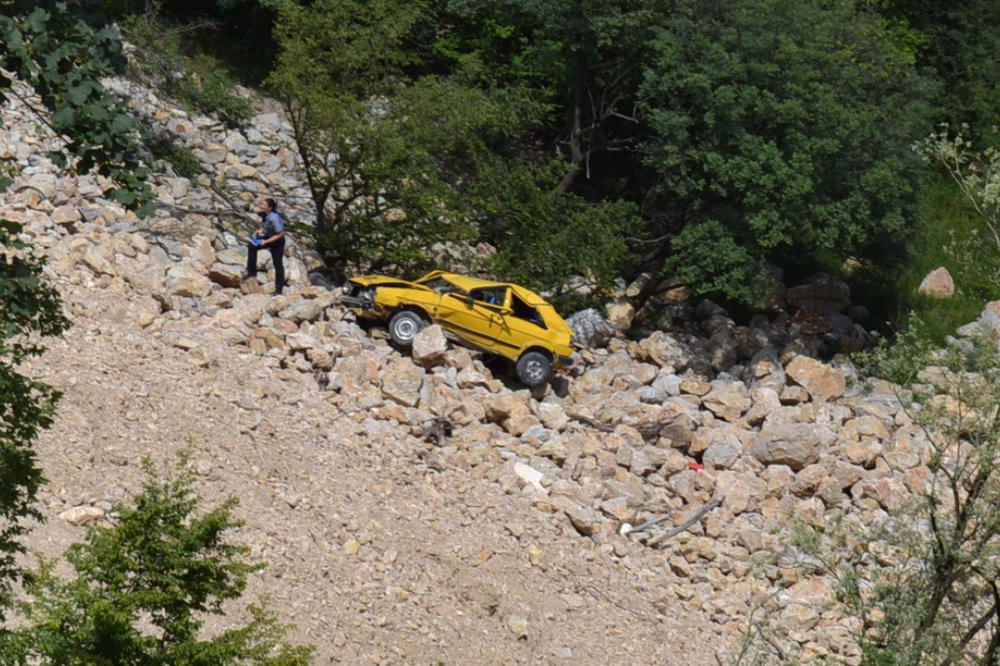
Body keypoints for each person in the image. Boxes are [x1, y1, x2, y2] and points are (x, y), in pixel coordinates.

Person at [243, 197, 286, 294]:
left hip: (277, 241)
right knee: (252, 246)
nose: (261, 206)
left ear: (270, 208)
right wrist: (261, 230)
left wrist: (266, 242)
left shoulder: (274, 218)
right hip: (269, 236)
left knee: (278, 265)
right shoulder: (266, 214)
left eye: (264, 205)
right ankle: (251, 271)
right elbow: (265, 224)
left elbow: (280, 234)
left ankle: (279, 290)